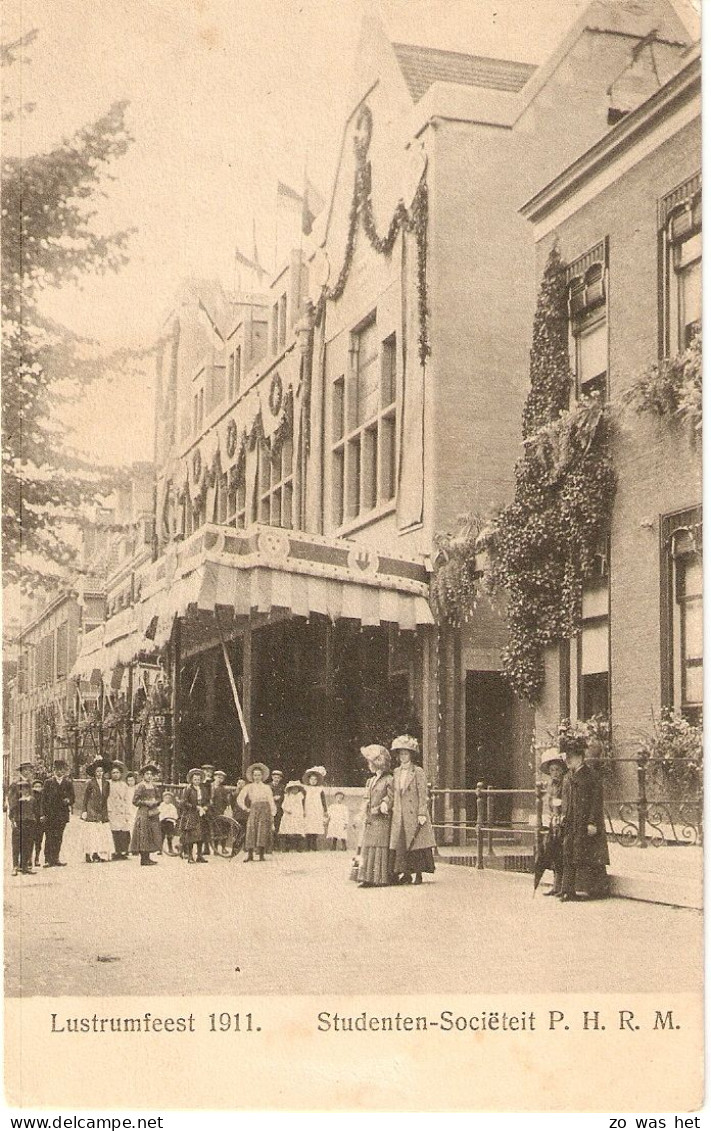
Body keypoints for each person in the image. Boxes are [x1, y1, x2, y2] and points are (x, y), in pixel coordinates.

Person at [560, 742, 610, 902]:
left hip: (585, 822)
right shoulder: (569, 776)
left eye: (572, 756)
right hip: (572, 822)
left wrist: (592, 822)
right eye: (566, 756)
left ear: (581, 757)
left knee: (586, 854)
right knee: (569, 852)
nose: (568, 759)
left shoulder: (591, 776)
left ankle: (590, 890)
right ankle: (568, 890)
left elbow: (596, 801)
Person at [389, 735, 436, 884]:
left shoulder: (418, 771)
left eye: (406, 754)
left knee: (417, 845)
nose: (403, 757)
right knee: (402, 844)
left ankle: (418, 874)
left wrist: (422, 812)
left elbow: (423, 793)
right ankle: (406, 873)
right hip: (400, 814)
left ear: (411, 755)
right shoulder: (396, 772)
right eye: (401, 754)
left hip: (414, 812)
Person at [357, 745, 394, 887]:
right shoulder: (371, 780)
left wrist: (381, 806)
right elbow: (367, 798)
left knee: (379, 847)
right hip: (370, 819)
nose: (369, 765)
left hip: (382, 819)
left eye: (370, 762)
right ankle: (366, 877)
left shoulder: (389, 779)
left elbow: (390, 797)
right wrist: (362, 812)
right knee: (367, 846)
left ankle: (380, 878)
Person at [539, 748, 567, 897]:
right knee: (553, 852)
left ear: (562, 770)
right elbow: (548, 803)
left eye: (557, 769)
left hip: (563, 821)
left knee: (562, 853)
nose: (555, 773)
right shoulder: (551, 785)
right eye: (552, 770)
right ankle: (555, 885)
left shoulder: (566, 784)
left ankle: (562, 886)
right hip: (552, 822)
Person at [237, 763, 276, 862]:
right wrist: (245, 808)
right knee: (251, 830)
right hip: (254, 809)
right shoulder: (249, 787)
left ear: (262, 776)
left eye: (259, 775)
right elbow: (240, 798)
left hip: (265, 810)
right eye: (255, 775)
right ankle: (250, 855)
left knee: (262, 831)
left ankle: (261, 855)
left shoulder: (267, 787)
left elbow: (271, 800)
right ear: (252, 776)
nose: (257, 777)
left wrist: (273, 812)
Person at [42, 759, 75, 867]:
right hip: (50, 814)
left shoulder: (68, 783)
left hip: (62, 815)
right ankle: (48, 859)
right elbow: (43, 799)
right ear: (54, 770)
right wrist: (43, 814)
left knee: (58, 836)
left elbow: (73, 797)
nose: (59, 772)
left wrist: (69, 800)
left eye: (61, 770)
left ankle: (56, 858)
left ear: (64, 771)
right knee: (49, 836)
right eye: (57, 770)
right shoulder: (48, 783)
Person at [81, 758, 114, 863]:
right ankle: (88, 853)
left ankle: (96, 854)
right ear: (94, 773)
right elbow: (86, 798)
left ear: (103, 772)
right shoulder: (90, 783)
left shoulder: (106, 784)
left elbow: (106, 797)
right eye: (97, 771)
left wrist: (106, 811)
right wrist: (84, 810)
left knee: (100, 833)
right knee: (91, 832)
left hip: (101, 810)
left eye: (101, 771)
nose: (99, 773)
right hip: (92, 809)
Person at [130, 763, 163, 866]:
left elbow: (159, 798)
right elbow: (135, 801)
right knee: (143, 834)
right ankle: (143, 858)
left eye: (151, 774)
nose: (149, 776)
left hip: (153, 812)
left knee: (152, 833)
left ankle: (148, 857)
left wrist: (156, 802)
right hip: (143, 813)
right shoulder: (141, 786)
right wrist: (146, 802)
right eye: (147, 774)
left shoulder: (154, 786)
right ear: (143, 775)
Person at [7, 762, 35, 875]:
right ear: (21, 771)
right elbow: (12, 801)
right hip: (19, 818)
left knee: (28, 842)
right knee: (17, 842)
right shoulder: (15, 784)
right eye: (26, 770)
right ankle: (15, 866)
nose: (28, 772)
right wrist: (13, 817)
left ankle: (24, 866)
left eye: (29, 770)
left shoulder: (30, 783)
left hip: (29, 817)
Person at [178, 768, 210, 863]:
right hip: (191, 814)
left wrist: (205, 807)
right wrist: (195, 807)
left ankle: (199, 856)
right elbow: (183, 802)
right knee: (191, 836)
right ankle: (190, 856)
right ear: (191, 779)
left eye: (199, 779)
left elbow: (208, 801)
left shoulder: (203, 789)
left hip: (202, 815)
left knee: (202, 835)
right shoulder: (188, 789)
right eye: (195, 779)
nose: (197, 781)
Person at [107, 762, 132, 860]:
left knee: (123, 831)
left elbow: (127, 799)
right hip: (112, 809)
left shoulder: (124, 785)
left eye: (117, 772)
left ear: (120, 774)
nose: (116, 774)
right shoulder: (108, 784)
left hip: (122, 810)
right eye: (113, 773)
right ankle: (115, 851)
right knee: (114, 831)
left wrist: (127, 811)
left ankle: (123, 851)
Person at [302, 765, 328, 850]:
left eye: (315, 779)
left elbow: (323, 801)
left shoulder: (320, 789)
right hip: (308, 809)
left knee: (315, 826)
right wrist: (302, 809)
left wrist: (325, 811)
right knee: (308, 826)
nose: (313, 781)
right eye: (311, 779)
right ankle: (307, 846)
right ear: (309, 780)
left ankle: (314, 845)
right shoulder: (305, 789)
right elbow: (302, 800)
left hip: (317, 809)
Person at [15, 782, 38, 874]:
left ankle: (26, 866)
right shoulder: (19, 800)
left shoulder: (32, 799)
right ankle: (20, 865)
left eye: (27, 789)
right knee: (21, 844)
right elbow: (15, 812)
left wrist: (35, 819)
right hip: (21, 823)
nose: (25, 791)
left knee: (29, 844)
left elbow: (36, 810)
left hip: (31, 822)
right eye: (22, 789)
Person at [279, 780, 306, 851]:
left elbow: (302, 805)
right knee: (287, 831)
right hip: (289, 815)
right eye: (293, 788)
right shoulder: (287, 796)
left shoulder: (300, 796)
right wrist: (287, 810)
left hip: (297, 815)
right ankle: (285, 847)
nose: (295, 790)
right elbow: (283, 805)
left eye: (296, 789)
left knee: (298, 831)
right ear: (290, 789)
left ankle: (299, 847)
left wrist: (303, 812)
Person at [210, 770, 232, 855]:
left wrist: (227, 807)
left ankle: (223, 848)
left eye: (221, 778)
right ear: (214, 777)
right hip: (210, 811)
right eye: (218, 777)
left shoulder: (223, 789)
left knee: (222, 829)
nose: (219, 779)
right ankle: (213, 849)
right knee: (212, 830)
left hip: (220, 811)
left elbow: (227, 801)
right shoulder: (209, 787)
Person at [199, 764, 215, 855]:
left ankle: (206, 847)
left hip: (208, 807)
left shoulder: (211, 783)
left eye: (210, 772)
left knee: (206, 827)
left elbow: (211, 796)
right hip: (200, 806)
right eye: (206, 771)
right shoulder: (200, 782)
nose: (208, 773)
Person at [229, 778, 247, 857]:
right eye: (239, 783)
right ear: (237, 784)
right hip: (237, 815)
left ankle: (244, 849)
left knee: (244, 832)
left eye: (243, 783)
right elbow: (232, 804)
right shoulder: (233, 794)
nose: (241, 785)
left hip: (245, 815)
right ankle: (234, 850)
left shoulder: (247, 794)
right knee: (236, 832)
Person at [159, 790, 179, 854]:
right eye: (166, 798)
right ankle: (160, 849)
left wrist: (174, 820)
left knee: (170, 836)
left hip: (170, 822)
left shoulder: (172, 807)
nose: (167, 799)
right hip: (163, 822)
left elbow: (175, 815)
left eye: (169, 798)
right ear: (163, 799)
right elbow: (159, 813)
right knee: (161, 836)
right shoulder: (161, 805)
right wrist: (161, 819)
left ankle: (170, 849)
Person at [31, 780, 45, 867]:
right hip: (32, 821)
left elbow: (46, 807)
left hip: (41, 821)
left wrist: (43, 815)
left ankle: (37, 858)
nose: (38, 788)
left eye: (39, 786)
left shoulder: (44, 796)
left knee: (39, 841)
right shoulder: (30, 796)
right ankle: (29, 859)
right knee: (30, 840)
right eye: (36, 786)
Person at [270, 770, 285, 847]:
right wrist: (272, 798)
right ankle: (270, 844)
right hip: (270, 809)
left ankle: (276, 845)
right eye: (275, 777)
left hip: (279, 809)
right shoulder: (268, 786)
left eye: (278, 778)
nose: (276, 779)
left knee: (277, 825)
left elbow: (285, 797)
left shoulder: (282, 787)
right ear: (272, 777)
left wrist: (280, 797)